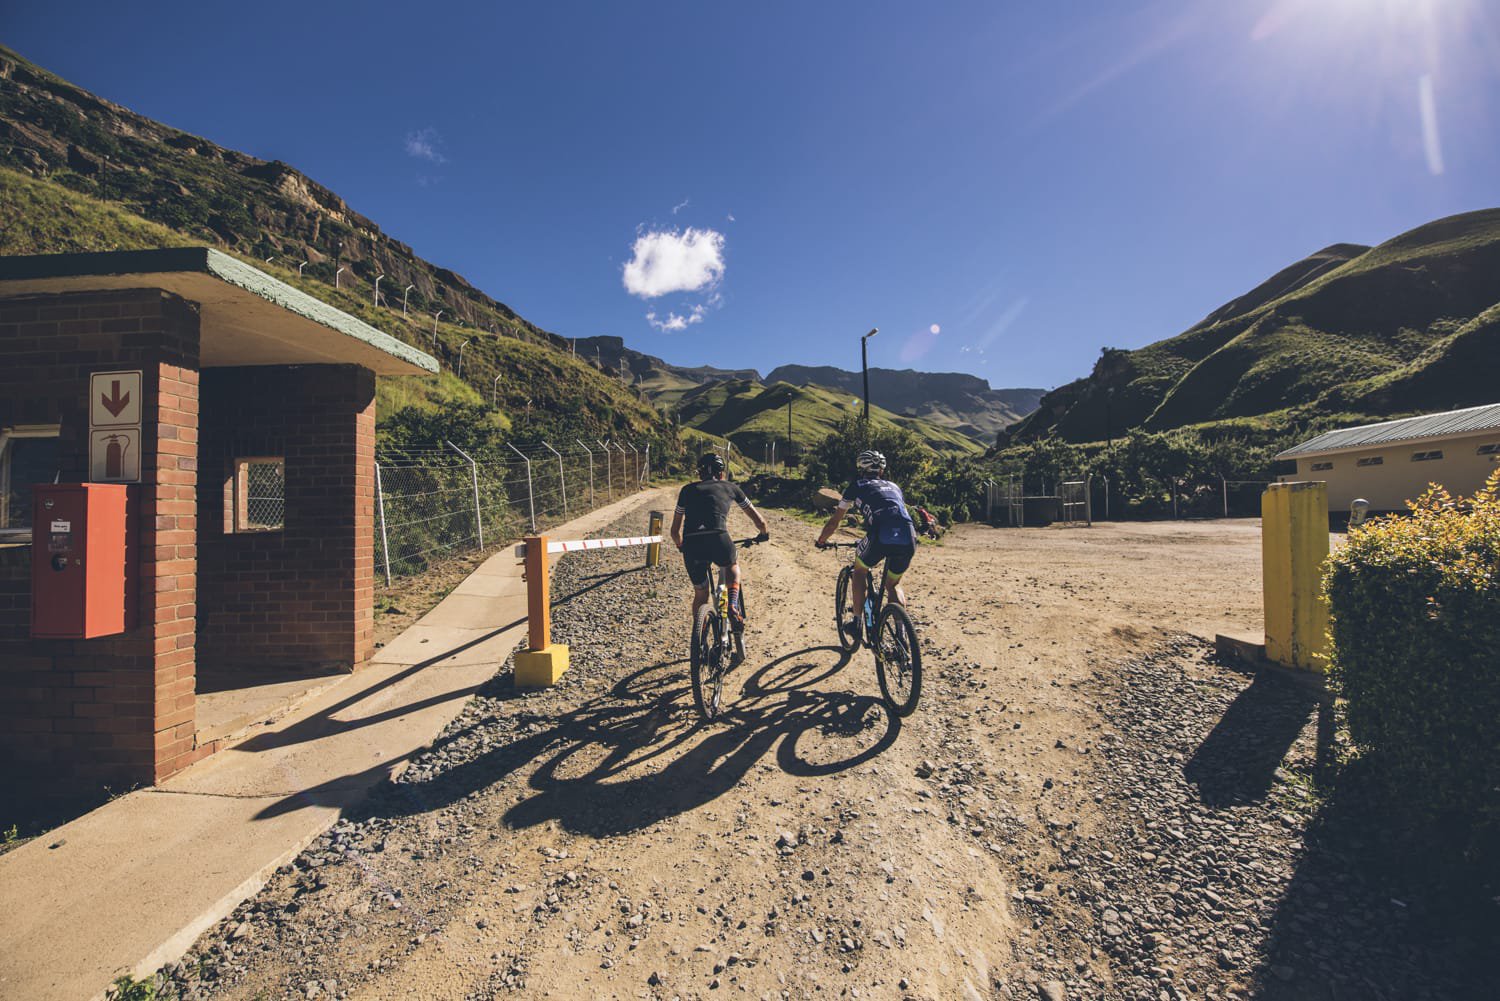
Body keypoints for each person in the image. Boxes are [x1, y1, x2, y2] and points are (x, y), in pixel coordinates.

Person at [815, 449, 917, 642]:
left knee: (860, 570)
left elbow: (835, 521)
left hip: (881, 534)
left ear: (861, 468)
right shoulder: (894, 486)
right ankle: (901, 634)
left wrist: (822, 540)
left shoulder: (856, 486)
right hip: (908, 535)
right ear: (882, 470)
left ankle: (856, 621)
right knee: (893, 584)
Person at [670, 453, 770, 640]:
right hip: (719, 539)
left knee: (701, 593)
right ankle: (731, 604)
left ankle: (701, 633)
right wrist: (763, 534)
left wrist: (681, 545)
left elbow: (674, 531)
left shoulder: (686, 490)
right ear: (722, 473)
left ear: (700, 474)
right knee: (731, 564)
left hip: (692, 544)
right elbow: (759, 521)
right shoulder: (731, 488)